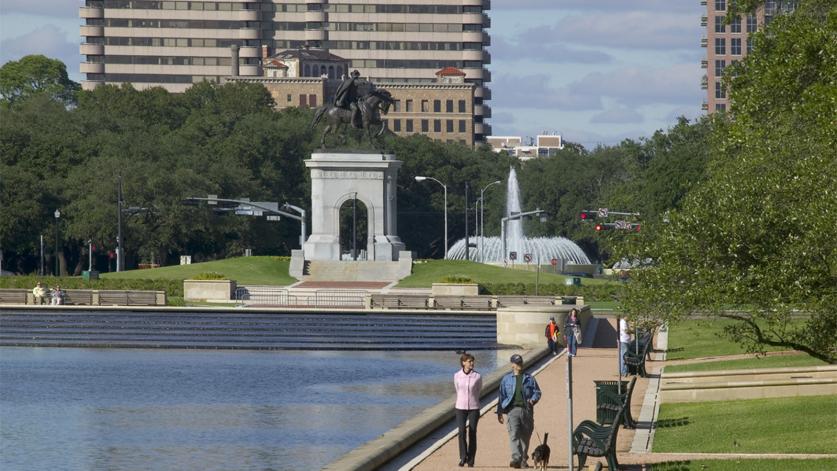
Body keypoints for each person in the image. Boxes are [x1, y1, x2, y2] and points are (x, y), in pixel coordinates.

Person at [497, 354, 542, 469]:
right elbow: (501, 396)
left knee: (525, 437)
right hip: (512, 410)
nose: (519, 365)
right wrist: (500, 412)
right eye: (517, 363)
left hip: (527, 410)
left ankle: (523, 460)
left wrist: (533, 400)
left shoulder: (529, 378)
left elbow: (537, 392)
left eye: (520, 362)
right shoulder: (506, 379)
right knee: (514, 434)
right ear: (512, 365)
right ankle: (516, 458)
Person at [454, 352, 482, 467]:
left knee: (472, 432)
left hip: (474, 407)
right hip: (460, 407)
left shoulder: (477, 376)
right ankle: (463, 456)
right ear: (463, 362)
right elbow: (457, 389)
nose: (472, 363)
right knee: (461, 431)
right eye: (469, 361)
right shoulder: (457, 375)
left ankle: (471, 460)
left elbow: (478, 390)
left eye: (472, 361)